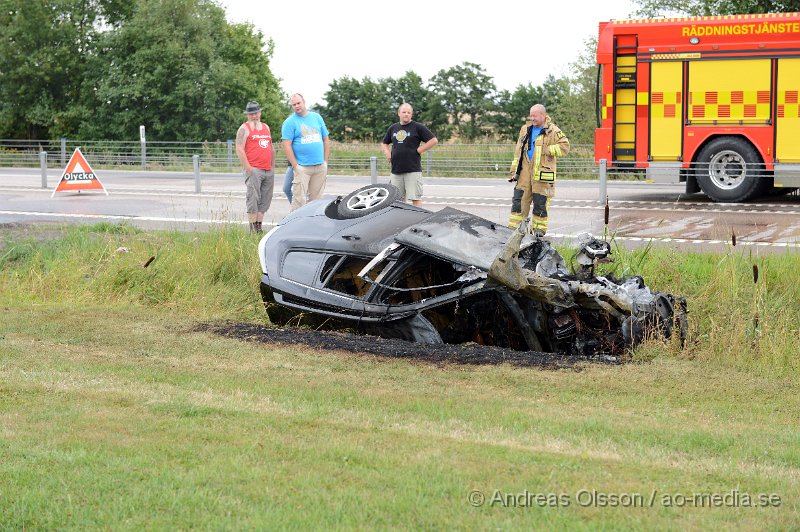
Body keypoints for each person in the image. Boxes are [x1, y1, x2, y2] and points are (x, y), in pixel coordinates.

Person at [507, 104, 570, 237]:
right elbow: (518, 151)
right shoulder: (525, 129)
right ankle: (514, 232)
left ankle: (538, 234)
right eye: (531, 115)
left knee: (540, 205)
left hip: (542, 176)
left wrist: (548, 150)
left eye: (535, 115)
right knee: (519, 202)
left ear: (543, 115)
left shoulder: (553, 131)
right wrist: (514, 171)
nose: (532, 118)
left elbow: (565, 147)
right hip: (524, 174)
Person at [381, 103, 438, 207]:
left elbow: (433, 140)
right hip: (396, 171)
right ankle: (401, 221)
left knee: (415, 198)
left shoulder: (418, 127)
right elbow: (384, 143)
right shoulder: (393, 128)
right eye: (404, 112)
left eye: (409, 112)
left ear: (411, 115)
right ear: (399, 113)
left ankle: (417, 221)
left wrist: (419, 150)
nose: (406, 114)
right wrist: (387, 152)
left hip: (413, 170)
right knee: (397, 200)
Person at [281, 93, 330, 211]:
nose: (297, 106)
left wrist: (325, 162)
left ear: (304, 102)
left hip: (319, 166)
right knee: (299, 201)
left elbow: (326, 139)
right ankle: (295, 227)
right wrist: (296, 166)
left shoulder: (317, 117)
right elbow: (286, 145)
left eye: (298, 103)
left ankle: (313, 226)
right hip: (302, 167)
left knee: (316, 201)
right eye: (294, 104)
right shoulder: (289, 122)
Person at [235, 101, 276, 234]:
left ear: (260, 113)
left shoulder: (266, 127)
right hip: (254, 169)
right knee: (253, 198)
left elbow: (271, 146)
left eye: (256, 113)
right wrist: (248, 168)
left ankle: (259, 226)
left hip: (267, 169)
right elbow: (239, 148)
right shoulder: (244, 128)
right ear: (248, 115)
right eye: (251, 114)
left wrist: (272, 165)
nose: (254, 116)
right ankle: (252, 229)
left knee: (265, 199)